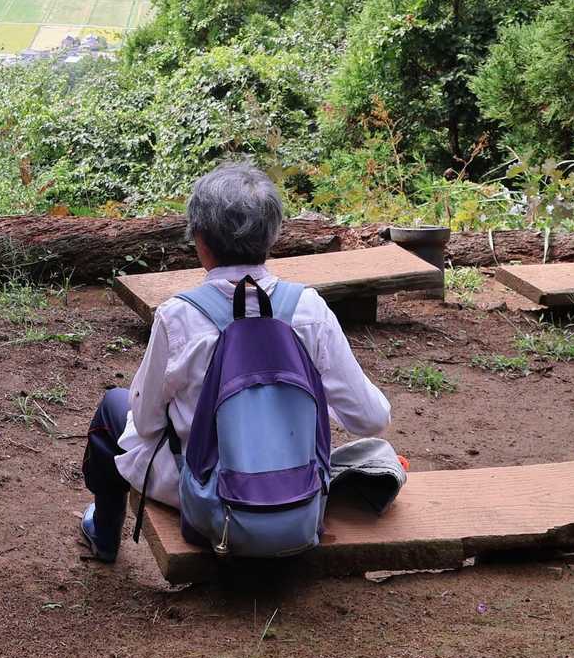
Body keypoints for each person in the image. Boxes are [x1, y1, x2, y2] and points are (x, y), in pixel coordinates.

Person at [79, 162, 391, 562]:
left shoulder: (179, 315)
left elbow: (146, 420)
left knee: (113, 406)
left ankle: (104, 534)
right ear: (273, 234)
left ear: (200, 239)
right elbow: (371, 420)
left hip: (210, 500)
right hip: (298, 498)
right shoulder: (309, 309)